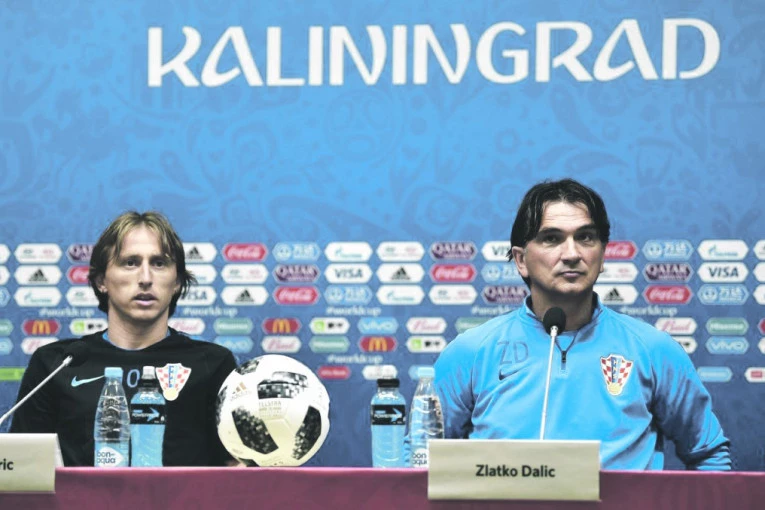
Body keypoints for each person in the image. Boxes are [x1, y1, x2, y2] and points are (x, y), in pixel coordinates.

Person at [434, 178, 731, 470]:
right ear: (521, 260)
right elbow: (424, 458)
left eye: (585, 237)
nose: (572, 254)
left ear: (602, 255)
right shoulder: (470, 352)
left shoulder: (653, 349)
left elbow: (709, 455)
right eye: (552, 239)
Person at [11, 211, 238, 466]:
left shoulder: (212, 364)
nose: (146, 279)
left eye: (159, 263)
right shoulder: (56, 364)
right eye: (130, 263)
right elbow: (22, 470)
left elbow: (236, 469)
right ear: (101, 280)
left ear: (176, 281)